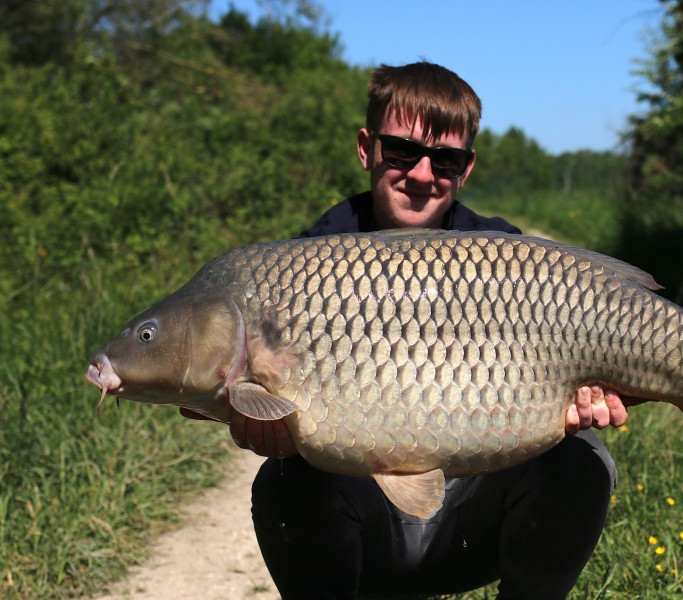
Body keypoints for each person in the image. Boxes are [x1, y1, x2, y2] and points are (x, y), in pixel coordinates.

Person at [187, 62, 628, 599]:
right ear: (366, 147)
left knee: (583, 462)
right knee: (286, 481)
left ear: (465, 168)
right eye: (401, 151)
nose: (422, 174)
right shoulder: (306, 264)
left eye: (445, 159)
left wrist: (591, 400)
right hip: (366, 531)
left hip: (473, 527)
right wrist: (269, 430)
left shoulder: (505, 260)